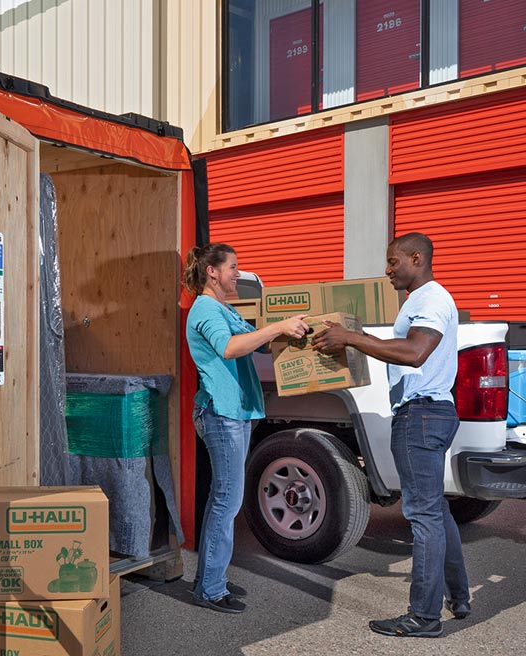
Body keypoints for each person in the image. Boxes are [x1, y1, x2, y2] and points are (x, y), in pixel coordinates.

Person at [313, 232, 469, 637]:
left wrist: (350, 338)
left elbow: (415, 352)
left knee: (423, 516)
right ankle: (459, 596)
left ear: (416, 258)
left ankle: (424, 616)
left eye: (393, 262)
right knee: (436, 511)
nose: (387, 271)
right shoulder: (419, 300)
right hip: (427, 413)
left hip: (420, 416)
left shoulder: (432, 298)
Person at [184, 243, 310, 614]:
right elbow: (229, 348)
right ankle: (209, 587)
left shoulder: (224, 308)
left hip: (237, 412)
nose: (238, 273)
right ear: (212, 272)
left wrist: (291, 331)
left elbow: (258, 346)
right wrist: (276, 327)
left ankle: (211, 577)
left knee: (225, 500)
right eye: (233, 267)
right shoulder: (205, 308)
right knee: (227, 500)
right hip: (221, 414)